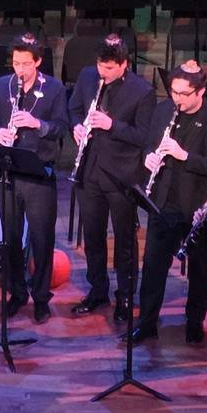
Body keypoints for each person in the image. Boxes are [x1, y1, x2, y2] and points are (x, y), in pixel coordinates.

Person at [130, 64, 207, 345]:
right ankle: (147, 322)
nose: (177, 99)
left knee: (200, 269)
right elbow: (149, 144)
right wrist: (149, 157)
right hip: (163, 202)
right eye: (174, 91)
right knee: (153, 266)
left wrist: (184, 155)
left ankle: (194, 322)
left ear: (201, 91)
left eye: (185, 94)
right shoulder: (164, 110)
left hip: (197, 207)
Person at [68, 33, 155, 320]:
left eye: (109, 69)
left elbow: (143, 136)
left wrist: (111, 124)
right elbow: (74, 108)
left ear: (124, 65)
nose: (102, 74)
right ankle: (97, 291)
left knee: (124, 241)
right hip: (90, 171)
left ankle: (126, 297)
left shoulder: (142, 92)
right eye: (100, 67)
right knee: (92, 236)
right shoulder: (86, 76)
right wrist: (76, 127)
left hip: (121, 176)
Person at [0, 31, 69, 321]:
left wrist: (36, 123)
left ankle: (41, 297)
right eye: (16, 63)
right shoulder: (0, 86)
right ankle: (17, 292)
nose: (20, 69)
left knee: (41, 237)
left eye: (25, 63)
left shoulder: (55, 88)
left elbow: (61, 127)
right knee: (9, 236)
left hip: (39, 173)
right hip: (8, 170)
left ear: (38, 62)